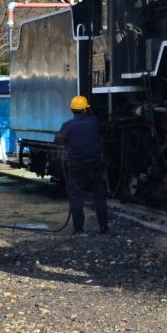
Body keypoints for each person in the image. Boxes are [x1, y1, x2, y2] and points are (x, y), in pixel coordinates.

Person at [54, 95, 109, 235]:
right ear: (85, 109)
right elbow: (106, 130)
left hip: (76, 166)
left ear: (72, 110)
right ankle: (103, 227)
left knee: (76, 196)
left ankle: (78, 229)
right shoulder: (94, 122)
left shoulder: (67, 126)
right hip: (95, 165)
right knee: (99, 195)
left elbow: (58, 140)